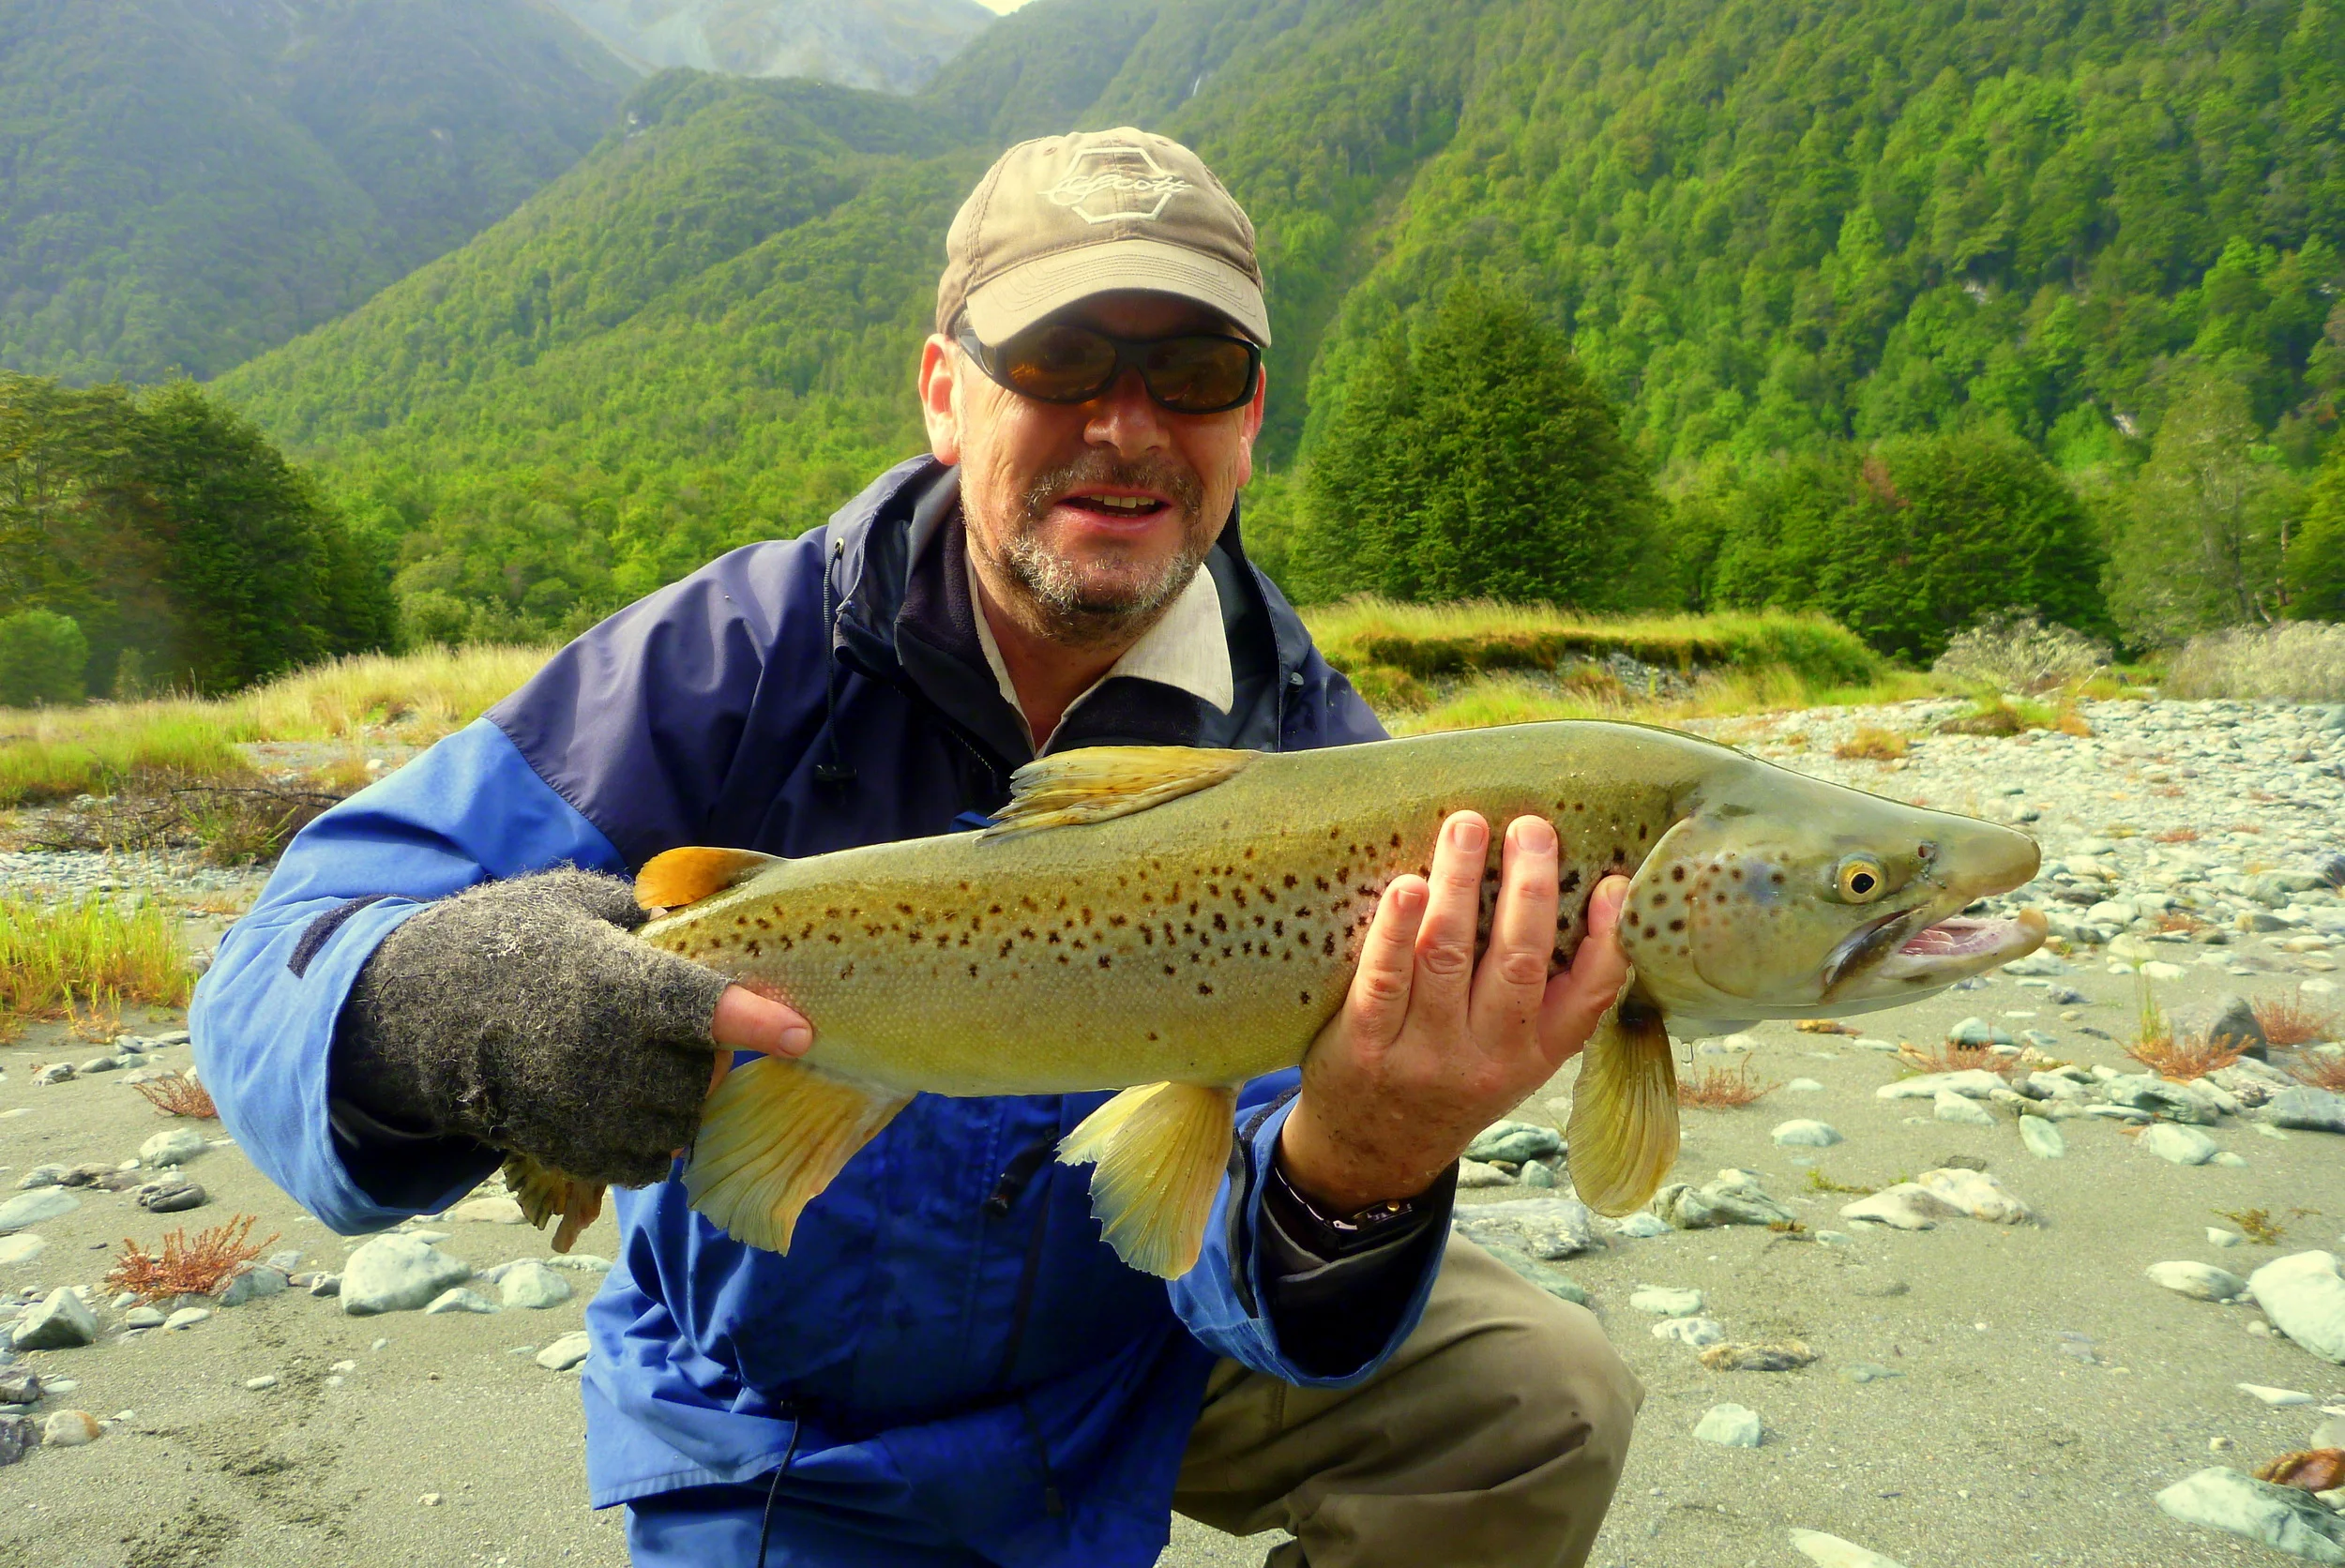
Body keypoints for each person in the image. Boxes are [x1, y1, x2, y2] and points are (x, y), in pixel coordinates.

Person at [192, 128, 1642, 1568]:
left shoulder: (1321, 761)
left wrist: (1360, 1173)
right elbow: (284, 953)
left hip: (1139, 1346)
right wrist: (447, 1003)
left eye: (1191, 375)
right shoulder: (730, 661)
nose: (1128, 426)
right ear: (947, 394)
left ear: (1250, 419)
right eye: (1062, 361)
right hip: (795, 1421)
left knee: (1536, 1403)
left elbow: (1219, 1212)